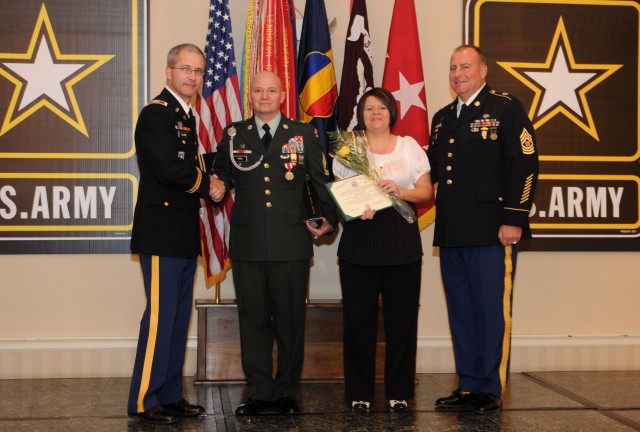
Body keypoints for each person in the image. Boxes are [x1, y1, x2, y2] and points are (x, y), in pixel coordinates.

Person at [210, 70, 338, 415]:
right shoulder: (235, 133)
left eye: (271, 90)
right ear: (249, 97)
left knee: (290, 321)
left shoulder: (302, 134)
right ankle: (259, 391)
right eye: (257, 91)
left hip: (290, 242)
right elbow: (221, 170)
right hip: (249, 242)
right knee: (253, 320)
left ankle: (286, 392)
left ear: (283, 96)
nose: (264, 96)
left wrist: (329, 220)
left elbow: (321, 180)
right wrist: (218, 183)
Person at [427, 45, 539, 414]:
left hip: (493, 230)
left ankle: (490, 387)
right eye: (453, 67)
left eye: (465, 66)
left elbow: (525, 165)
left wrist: (515, 218)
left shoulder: (505, 107)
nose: (458, 73)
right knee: (461, 311)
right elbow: (430, 173)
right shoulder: (442, 118)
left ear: (483, 70)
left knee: (491, 310)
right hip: (452, 230)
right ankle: (468, 385)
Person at [127, 43, 224, 424]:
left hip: (182, 232)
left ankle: (168, 394)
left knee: (178, 317)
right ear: (169, 72)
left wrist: (225, 161)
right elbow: (168, 168)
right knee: (160, 318)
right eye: (186, 69)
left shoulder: (187, 116)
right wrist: (209, 185)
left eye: (198, 71)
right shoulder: (157, 114)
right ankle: (144, 400)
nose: (193, 77)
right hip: (161, 231)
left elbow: (190, 162)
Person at [332, 87, 433, 413]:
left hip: (401, 243)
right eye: (368, 108)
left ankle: (399, 392)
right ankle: (359, 393)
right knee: (358, 322)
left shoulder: (409, 147)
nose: (375, 113)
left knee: (401, 322)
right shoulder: (350, 149)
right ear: (360, 115)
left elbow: (426, 191)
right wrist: (356, 205)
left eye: (382, 108)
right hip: (359, 242)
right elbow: (338, 192)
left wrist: (398, 190)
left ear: (392, 112)